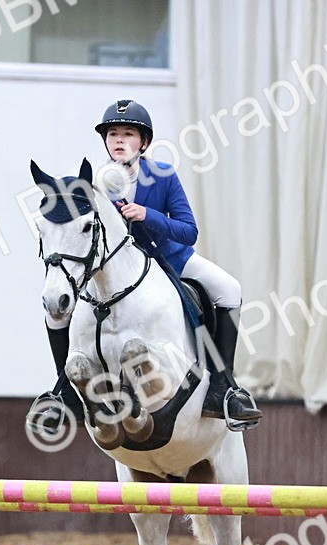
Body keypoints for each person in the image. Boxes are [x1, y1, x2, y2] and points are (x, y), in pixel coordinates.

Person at [28, 99, 262, 435]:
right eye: (113, 134)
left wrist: (146, 215)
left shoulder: (163, 175)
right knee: (55, 312)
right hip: (116, 270)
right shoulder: (93, 186)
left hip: (170, 259)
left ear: (144, 142)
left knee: (229, 288)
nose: (119, 140)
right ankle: (65, 391)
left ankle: (223, 387)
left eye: (128, 134)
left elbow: (189, 230)